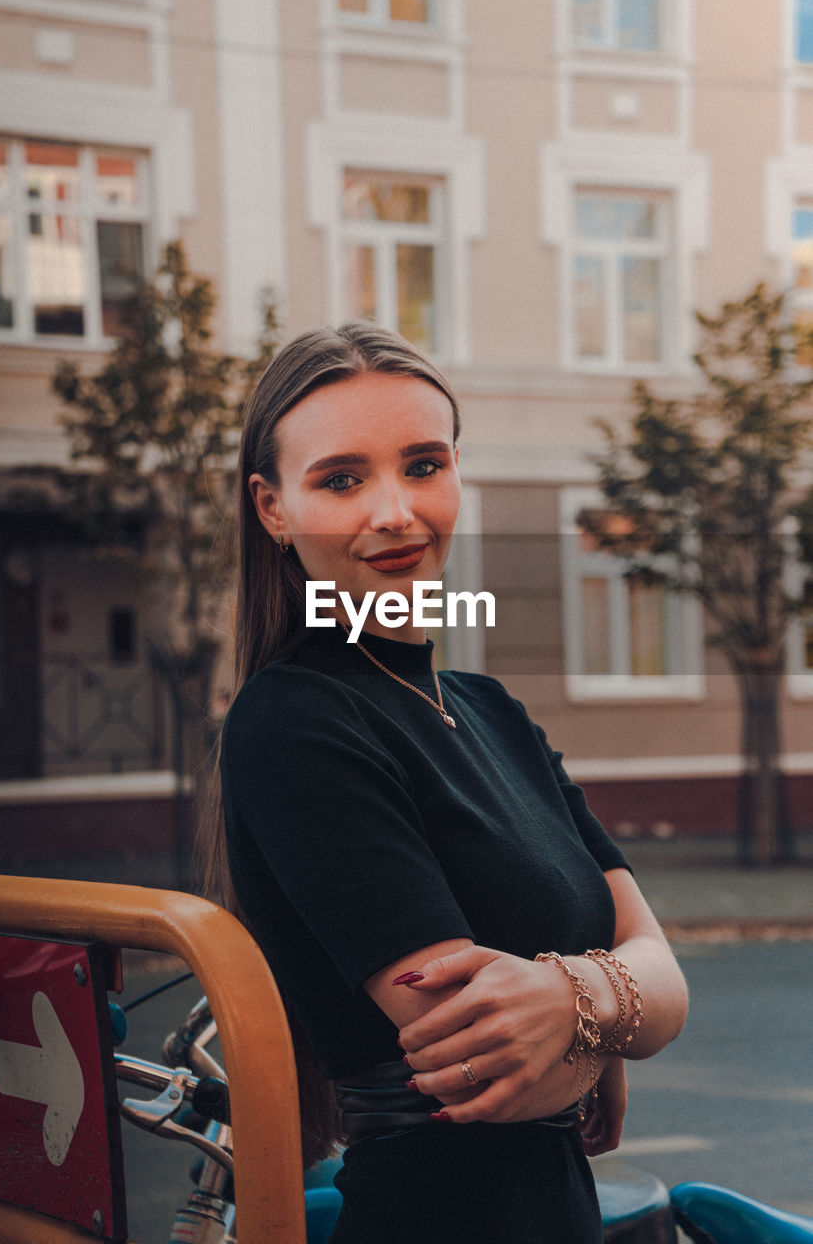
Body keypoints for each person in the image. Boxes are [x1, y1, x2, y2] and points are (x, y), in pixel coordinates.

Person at [201, 321, 689, 1243]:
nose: (394, 511)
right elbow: (479, 1058)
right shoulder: (293, 721)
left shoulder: (491, 708)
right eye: (340, 480)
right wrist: (611, 1010)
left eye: (422, 465)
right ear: (271, 509)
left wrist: (567, 1007)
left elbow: (672, 987)